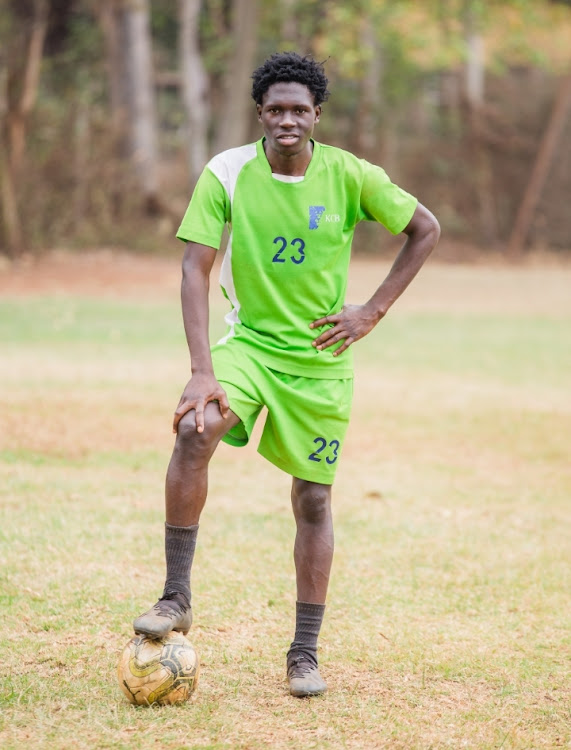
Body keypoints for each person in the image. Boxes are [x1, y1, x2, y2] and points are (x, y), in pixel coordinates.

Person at [133, 51, 440, 698]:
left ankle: (303, 653)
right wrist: (200, 370)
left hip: (320, 361)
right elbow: (195, 268)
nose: (287, 120)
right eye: (276, 109)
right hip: (250, 344)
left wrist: (371, 310)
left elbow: (424, 228)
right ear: (260, 115)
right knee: (195, 429)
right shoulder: (228, 171)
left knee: (314, 498)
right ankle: (175, 597)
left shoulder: (350, 175)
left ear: (317, 116)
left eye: (299, 109)